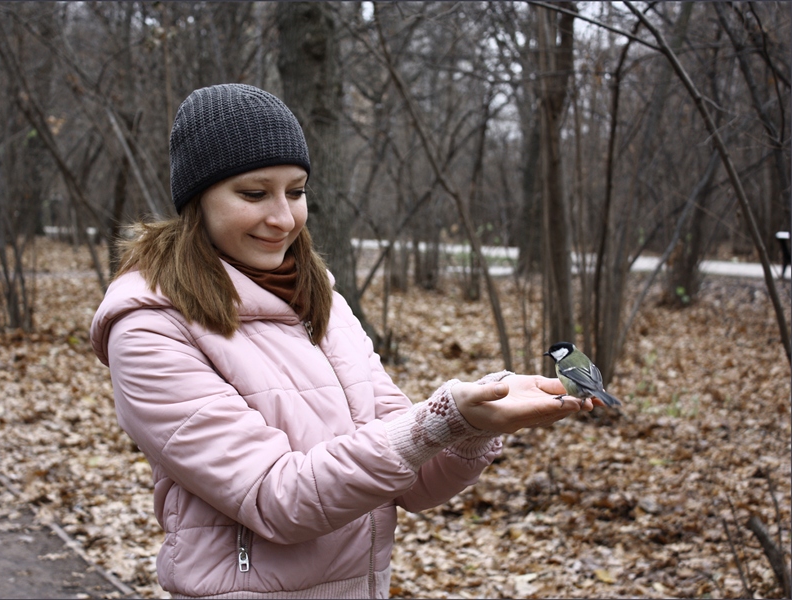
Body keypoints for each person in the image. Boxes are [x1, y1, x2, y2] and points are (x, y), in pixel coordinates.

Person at [90, 83, 598, 599]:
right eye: (253, 193)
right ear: (196, 199)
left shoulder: (318, 298)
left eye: (296, 191)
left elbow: (414, 483)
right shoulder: (150, 328)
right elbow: (276, 499)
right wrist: (437, 421)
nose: (283, 218)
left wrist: (470, 425)